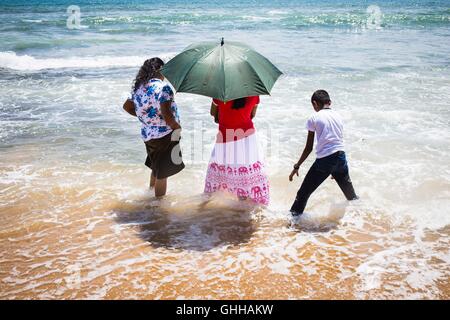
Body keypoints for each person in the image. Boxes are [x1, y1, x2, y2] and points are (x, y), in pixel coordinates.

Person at [289, 90, 358, 216]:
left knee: (303, 194)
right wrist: (335, 168)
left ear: (315, 103)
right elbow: (337, 141)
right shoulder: (338, 115)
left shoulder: (314, 118)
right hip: (341, 157)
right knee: (351, 195)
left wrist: (297, 165)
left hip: (325, 161)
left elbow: (308, 148)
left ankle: (292, 224)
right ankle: (361, 217)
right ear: (329, 102)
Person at [123, 57, 184, 197]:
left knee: (155, 167)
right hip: (164, 135)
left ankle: (150, 194)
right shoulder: (164, 88)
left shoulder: (139, 88)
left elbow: (126, 106)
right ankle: (158, 206)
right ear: (159, 70)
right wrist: (177, 127)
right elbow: (167, 115)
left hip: (148, 135)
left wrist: (146, 118)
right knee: (163, 173)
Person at [204, 96, 269, 205]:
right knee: (243, 175)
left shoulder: (220, 94)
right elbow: (252, 115)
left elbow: (212, 113)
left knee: (219, 173)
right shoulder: (254, 94)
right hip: (248, 138)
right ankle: (243, 207)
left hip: (226, 137)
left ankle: (210, 209)